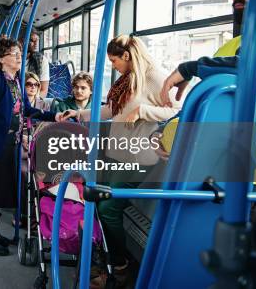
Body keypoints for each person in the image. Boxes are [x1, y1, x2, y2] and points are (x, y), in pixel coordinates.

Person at [160, 0, 256, 289]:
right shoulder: (233, 46)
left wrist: (190, 67)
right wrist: (166, 132)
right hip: (219, 177)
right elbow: (203, 102)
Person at [66, 35, 181, 288]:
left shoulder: (153, 77)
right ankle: (104, 259)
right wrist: (79, 113)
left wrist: (143, 111)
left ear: (127, 56)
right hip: (117, 153)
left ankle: (120, 265)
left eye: (114, 60)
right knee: (96, 203)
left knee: (109, 209)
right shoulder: (126, 80)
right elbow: (112, 110)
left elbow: (176, 109)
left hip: (138, 157)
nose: (113, 65)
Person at [0, 38, 70, 256]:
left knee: (1, 191)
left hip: (11, 144)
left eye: (19, 53)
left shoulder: (16, 80)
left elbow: (26, 109)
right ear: (1, 59)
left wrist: (53, 115)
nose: (19, 57)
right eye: (14, 54)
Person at [26, 30, 50, 97]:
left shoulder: (41, 60)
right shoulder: (13, 59)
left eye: (37, 40)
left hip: (34, 99)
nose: (36, 43)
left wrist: (33, 103)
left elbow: (43, 90)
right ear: (22, 41)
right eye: (32, 40)